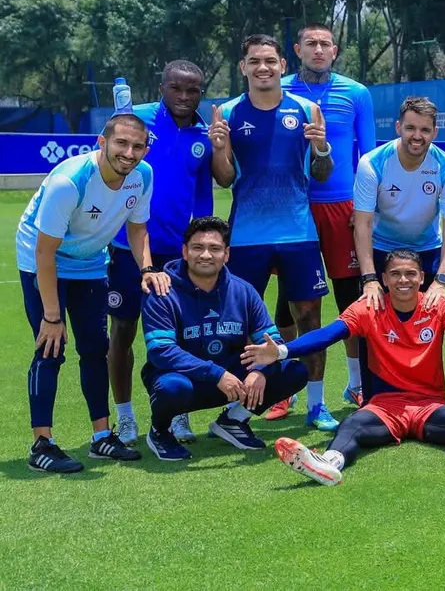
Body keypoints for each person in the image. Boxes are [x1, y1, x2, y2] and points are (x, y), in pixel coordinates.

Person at [239, 249, 445, 485]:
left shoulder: (437, 305)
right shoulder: (368, 307)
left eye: (410, 274)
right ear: (383, 279)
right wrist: (281, 351)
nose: (403, 280)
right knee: (353, 426)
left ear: (421, 277)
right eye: (395, 274)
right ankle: (328, 464)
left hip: (428, 404)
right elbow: (327, 335)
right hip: (385, 406)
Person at [16, 113, 170, 472]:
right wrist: (52, 317)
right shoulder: (71, 181)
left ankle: (102, 438)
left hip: (89, 263)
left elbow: (137, 230)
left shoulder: (142, 176)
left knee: (95, 351)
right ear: (102, 142)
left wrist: (147, 268)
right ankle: (42, 444)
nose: (129, 153)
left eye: (137, 146)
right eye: (121, 143)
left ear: (146, 149)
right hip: (42, 258)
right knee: (49, 348)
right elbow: (44, 252)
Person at [208, 34, 337, 431]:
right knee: (241, 323)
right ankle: (239, 406)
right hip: (246, 236)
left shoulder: (306, 109)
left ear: (283, 65)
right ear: (243, 67)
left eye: (269, 60)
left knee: (309, 317)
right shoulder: (227, 113)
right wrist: (219, 149)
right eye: (254, 61)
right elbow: (226, 179)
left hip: (298, 232)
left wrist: (322, 149)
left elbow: (320, 175)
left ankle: (316, 405)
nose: (262, 67)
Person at [140, 217, 308, 460]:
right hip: (186, 379)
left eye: (215, 249)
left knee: (293, 370)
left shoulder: (243, 290)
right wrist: (215, 374)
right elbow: (161, 351)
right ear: (185, 252)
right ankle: (160, 431)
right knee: (172, 388)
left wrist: (260, 370)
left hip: (232, 377)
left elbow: (273, 342)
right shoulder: (163, 291)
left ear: (226, 254)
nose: (206, 255)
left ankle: (234, 420)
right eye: (197, 248)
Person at [106, 60, 212, 447]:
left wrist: (199, 244)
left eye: (193, 90)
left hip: (174, 252)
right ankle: (126, 417)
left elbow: (202, 195)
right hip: (126, 246)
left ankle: (179, 412)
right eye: (176, 88)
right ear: (162, 86)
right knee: (123, 330)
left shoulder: (203, 133)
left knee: (182, 335)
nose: (184, 97)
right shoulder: (136, 123)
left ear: (201, 91)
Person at [275, 23, 376, 409]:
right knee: (289, 300)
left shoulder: (356, 93)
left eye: (325, 44)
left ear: (334, 52)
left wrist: (366, 209)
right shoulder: (278, 88)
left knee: (350, 298)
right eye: (310, 44)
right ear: (297, 49)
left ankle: (356, 384)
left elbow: (368, 157)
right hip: (292, 207)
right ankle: (287, 389)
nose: (318, 50)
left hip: (342, 208)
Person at [354, 96, 445, 308]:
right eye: (410, 128)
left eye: (425, 130)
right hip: (381, 248)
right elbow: (362, 224)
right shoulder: (372, 163)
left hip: (427, 249)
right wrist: (369, 278)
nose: (417, 136)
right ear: (398, 127)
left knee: (425, 325)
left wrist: (442, 280)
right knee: (374, 322)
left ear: (435, 132)